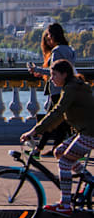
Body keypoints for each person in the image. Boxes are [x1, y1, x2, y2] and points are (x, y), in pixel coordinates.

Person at [20, 59, 94, 217]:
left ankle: (65, 204)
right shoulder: (72, 85)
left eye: (54, 75)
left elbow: (57, 112)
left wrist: (34, 131)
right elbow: (59, 116)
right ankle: (90, 182)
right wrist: (40, 130)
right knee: (59, 151)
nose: (51, 78)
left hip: (91, 133)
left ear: (64, 74)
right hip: (86, 131)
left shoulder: (71, 89)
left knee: (64, 161)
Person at [29, 23, 76, 156]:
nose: (47, 39)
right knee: (61, 123)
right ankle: (56, 148)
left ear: (53, 36)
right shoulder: (70, 50)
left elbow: (54, 71)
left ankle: (38, 149)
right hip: (66, 87)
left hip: (56, 89)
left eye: (48, 36)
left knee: (50, 120)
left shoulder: (56, 51)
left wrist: (36, 70)